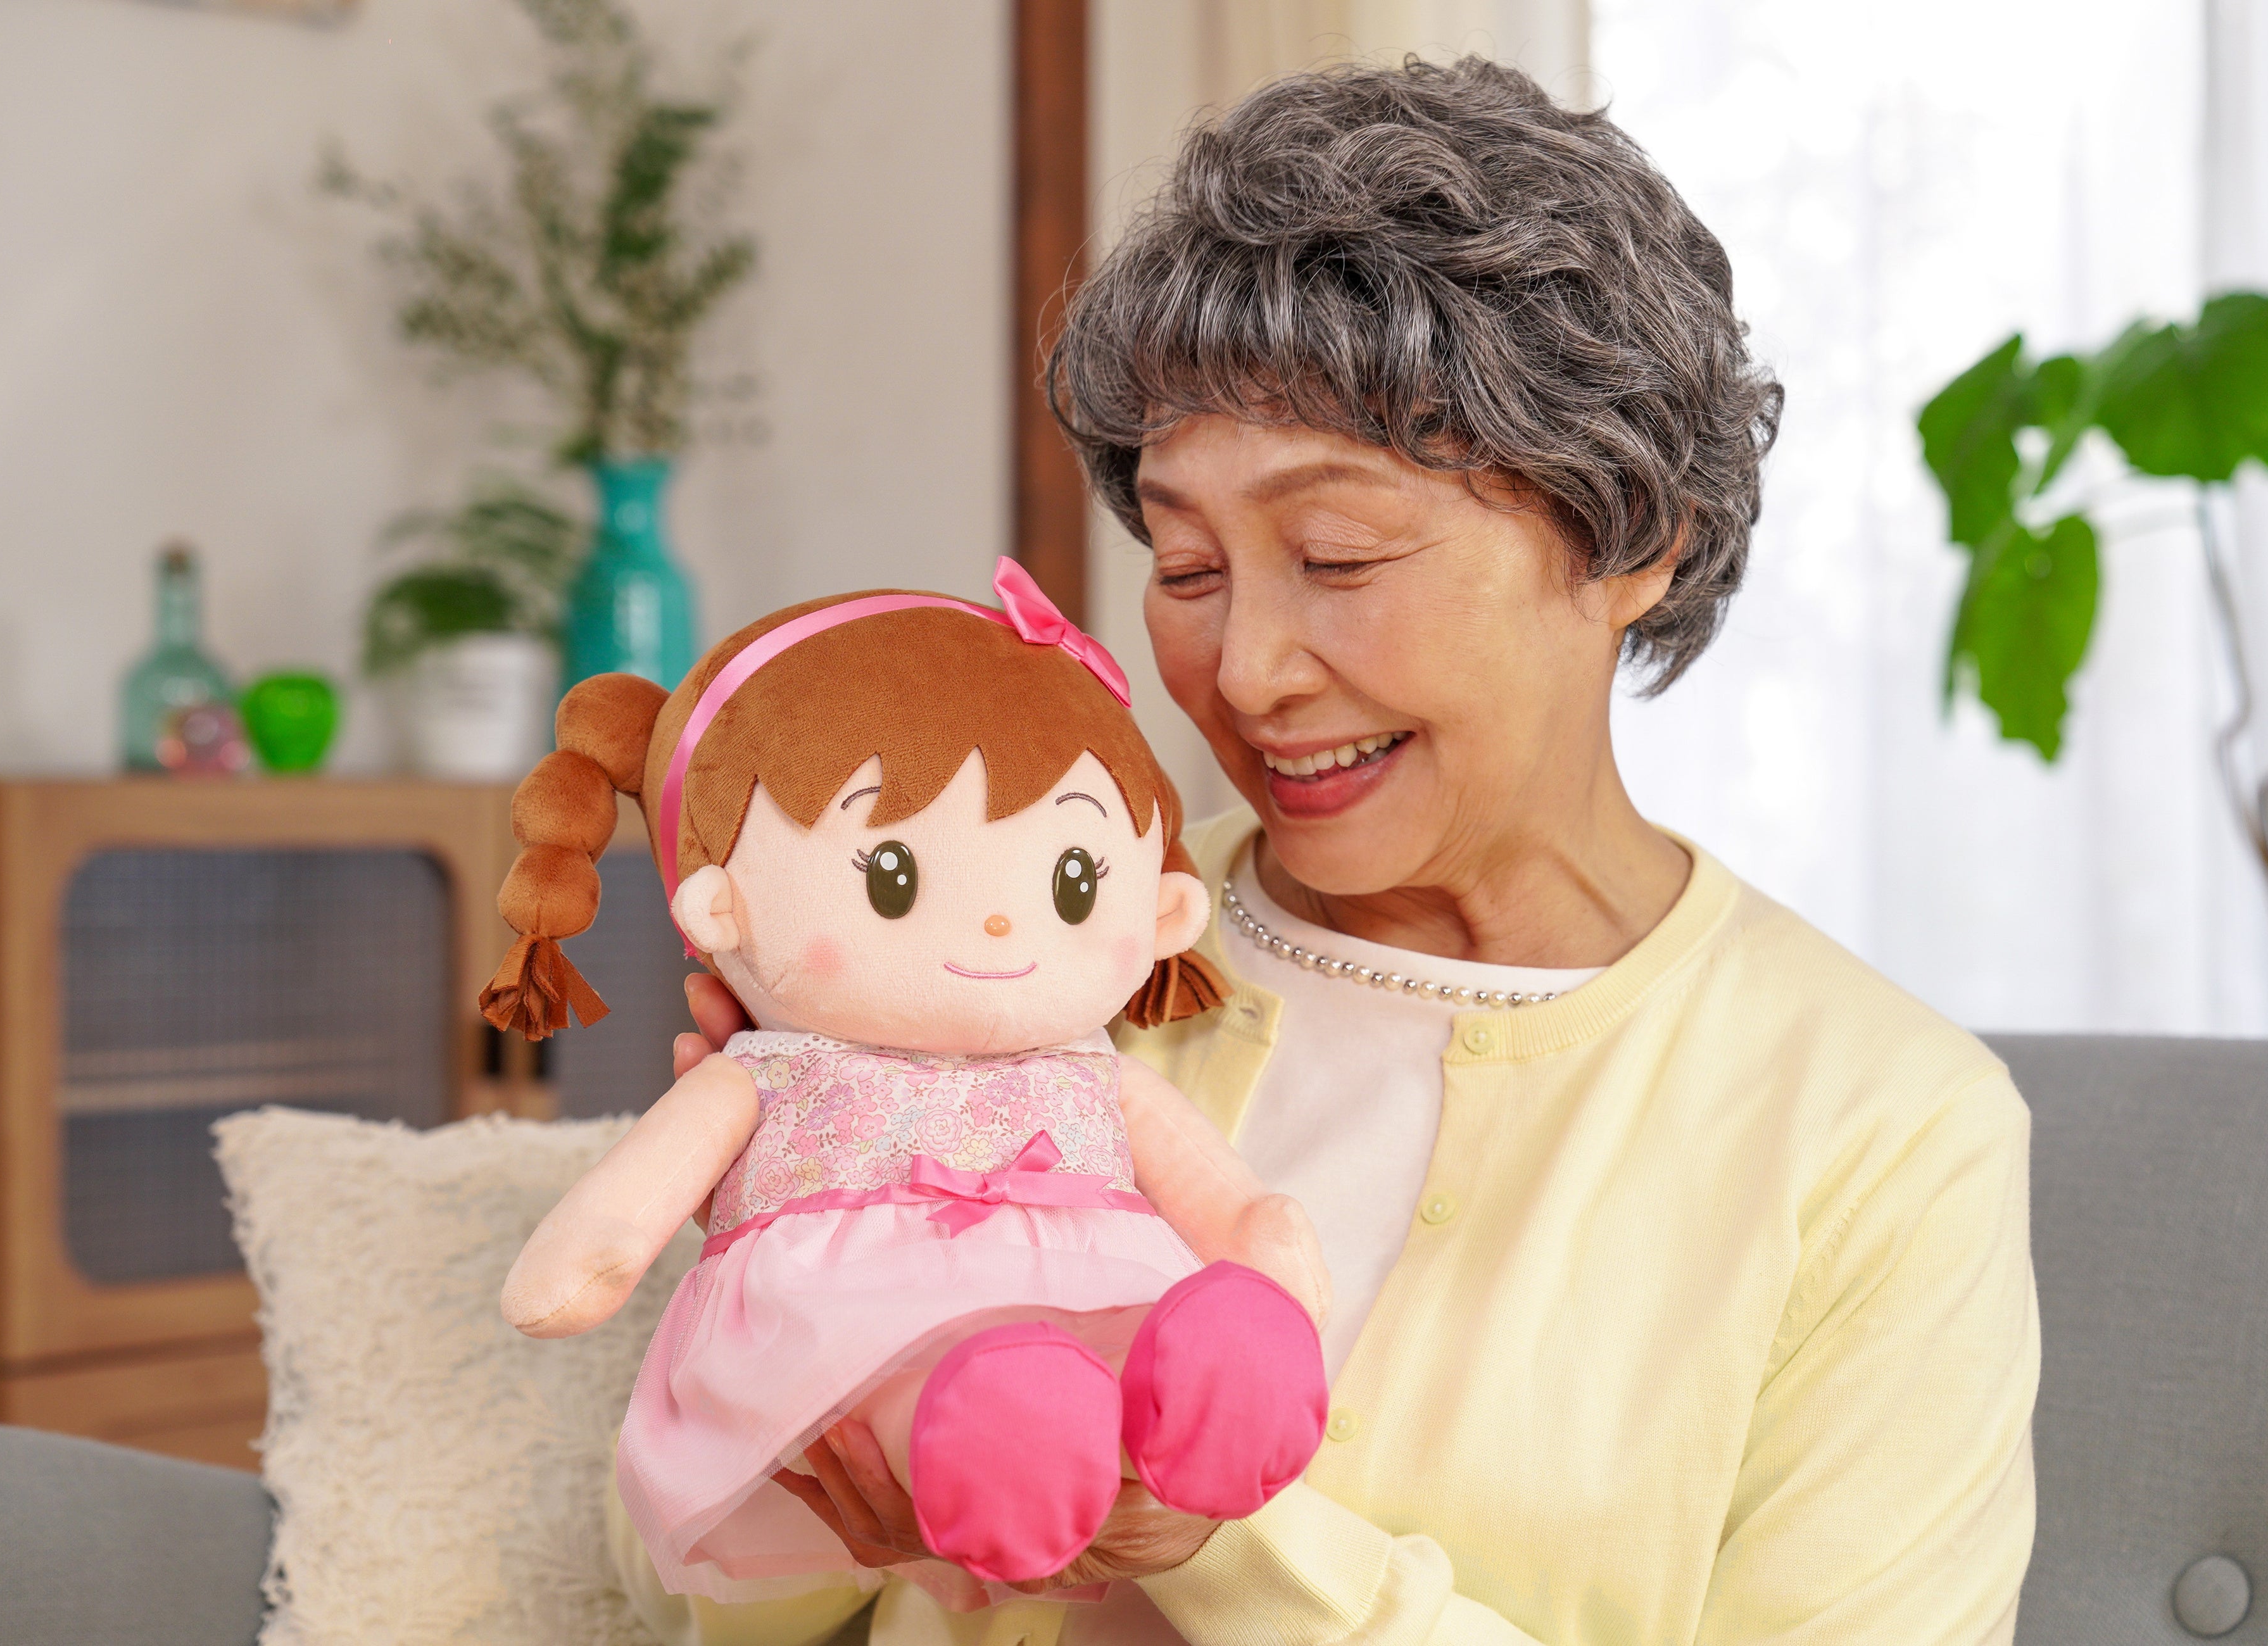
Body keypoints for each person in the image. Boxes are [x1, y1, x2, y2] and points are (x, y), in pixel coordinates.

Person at [621, 54, 2038, 1646]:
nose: (1246, 671)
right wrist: (786, 1313)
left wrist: (1219, 1539)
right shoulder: (1014, 963)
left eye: (1339, 555)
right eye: (1187, 565)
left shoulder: (1881, 1130)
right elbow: (681, 1593)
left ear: (1636, 538)